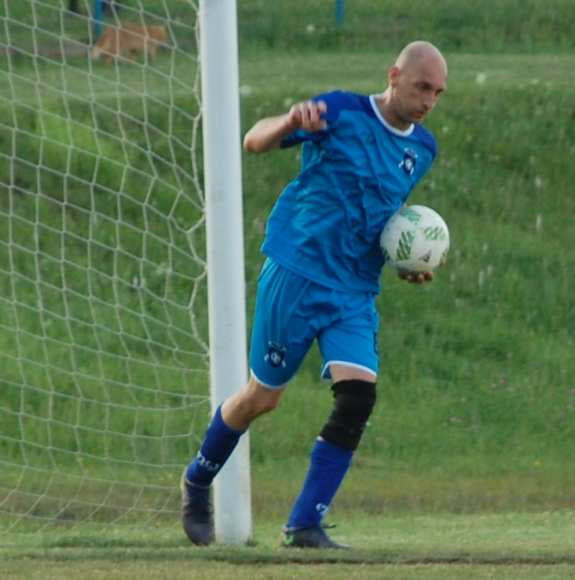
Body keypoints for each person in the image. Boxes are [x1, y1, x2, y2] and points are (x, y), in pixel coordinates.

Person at [181, 40, 448, 548]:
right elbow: (253, 141)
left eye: (438, 92)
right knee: (262, 398)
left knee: (358, 396)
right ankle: (197, 479)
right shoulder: (339, 111)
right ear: (393, 75)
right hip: (298, 273)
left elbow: (383, 213)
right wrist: (286, 122)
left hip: (352, 290)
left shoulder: (423, 148)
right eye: (422, 87)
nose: (429, 100)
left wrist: (407, 259)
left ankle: (305, 523)